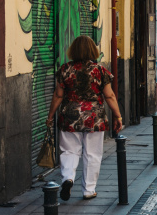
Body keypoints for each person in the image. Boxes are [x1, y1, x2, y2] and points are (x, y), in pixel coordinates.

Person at [46, 36, 122, 201]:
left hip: (70, 117)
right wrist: (118, 115)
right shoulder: (99, 70)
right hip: (94, 118)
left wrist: (50, 116)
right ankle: (88, 190)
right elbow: (109, 96)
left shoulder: (65, 69)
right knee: (92, 153)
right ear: (93, 50)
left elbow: (58, 95)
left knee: (69, 150)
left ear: (73, 50)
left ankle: (68, 179)